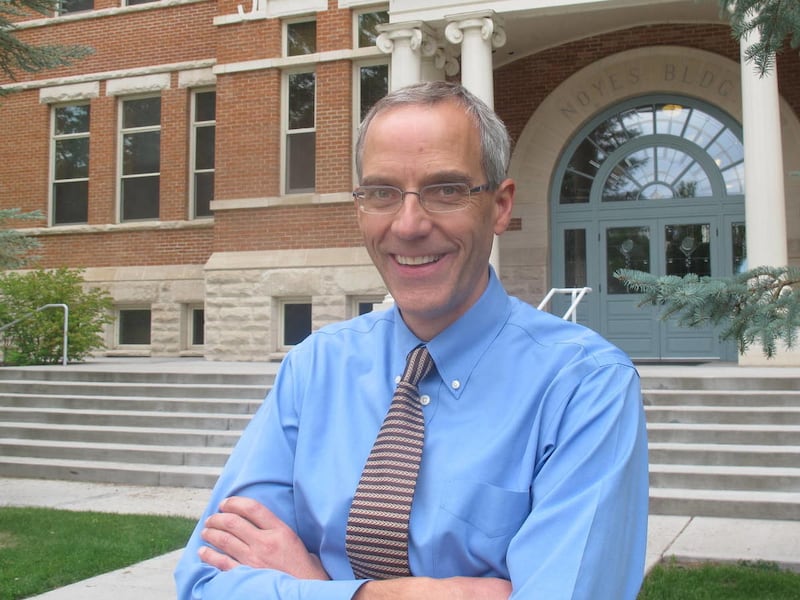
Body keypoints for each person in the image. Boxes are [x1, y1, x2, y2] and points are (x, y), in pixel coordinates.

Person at [175, 80, 649, 599]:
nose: (408, 224)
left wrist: (313, 586)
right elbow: (205, 582)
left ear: (500, 206)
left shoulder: (585, 387)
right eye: (381, 193)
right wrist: (400, 594)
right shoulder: (314, 368)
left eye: (446, 190)